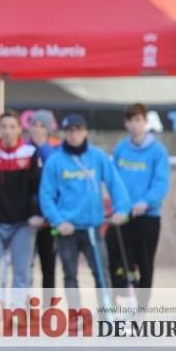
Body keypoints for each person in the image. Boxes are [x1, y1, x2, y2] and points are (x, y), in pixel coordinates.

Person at [39, 114, 131, 298]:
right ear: (65, 133)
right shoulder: (55, 161)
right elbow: (46, 195)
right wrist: (57, 221)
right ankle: (76, 319)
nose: (74, 135)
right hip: (67, 228)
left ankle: (108, 318)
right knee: (70, 276)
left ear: (85, 132)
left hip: (92, 227)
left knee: (101, 275)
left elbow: (115, 184)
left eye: (78, 130)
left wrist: (122, 210)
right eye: (70, 131)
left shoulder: (98, 157)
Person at [0, 110, 42, 299]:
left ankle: (17, 315)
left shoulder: (30, 153)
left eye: (12, 127)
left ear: (20, 129)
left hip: (24, 223)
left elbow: (38, 187)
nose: (8, 131)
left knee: (22, 273)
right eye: (4, 126)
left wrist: (38, 214)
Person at [106, 103, 170, 304]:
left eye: (138, 120)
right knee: (115, 257)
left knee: (144, 263)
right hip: (123, 215)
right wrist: (121, 205)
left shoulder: (157, 151)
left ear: (145, 122)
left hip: (147, 217)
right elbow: (113, 180)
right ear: (125, 123)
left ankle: (141, 309)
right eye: (130, 120)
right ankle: (118, 304)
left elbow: (161, 184)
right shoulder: (121, 149)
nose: (134, 125)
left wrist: (145, 202)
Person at [27, 110, 60, 297]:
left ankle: (49, 310)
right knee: (25, 266)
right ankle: (26, 308)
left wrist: (50, 215)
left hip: (49, 219)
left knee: (49, 266)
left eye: (42, 126)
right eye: (34, 125)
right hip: (28, 218)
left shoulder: (55, 153)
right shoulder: (24, 151)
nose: (38, 129)